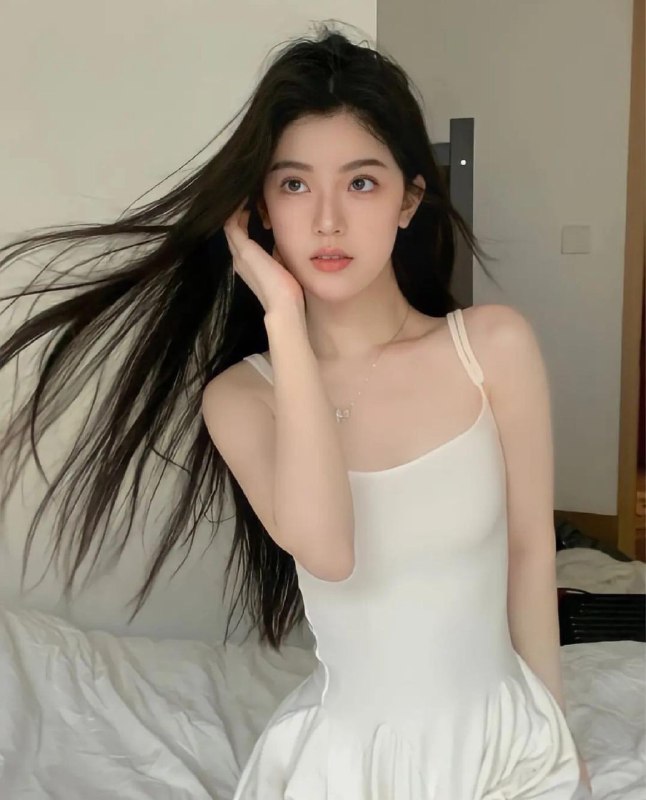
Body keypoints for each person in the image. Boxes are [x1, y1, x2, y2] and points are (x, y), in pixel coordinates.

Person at [0, 20, 592, 799]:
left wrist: (554, 737)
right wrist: (283, 315)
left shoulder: (492, 347)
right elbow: (329, 552)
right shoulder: (242, 396)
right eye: (295, 185)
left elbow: (530, 553)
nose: (327, 221)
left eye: (362, 182)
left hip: (507, 748)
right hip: (345, 768)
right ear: (260, 211)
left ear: (410, 199)